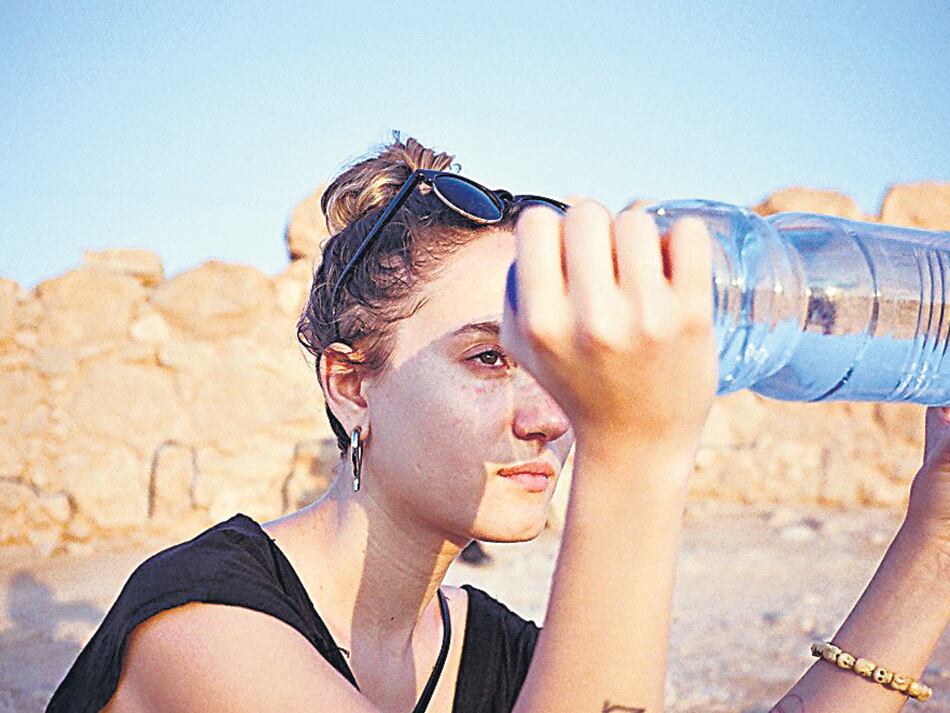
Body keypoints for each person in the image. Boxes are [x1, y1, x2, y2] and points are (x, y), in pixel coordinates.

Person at [48, 134, 948, 712]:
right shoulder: (205, 623)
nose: (554, 414)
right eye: (489, 358)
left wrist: (936, 534)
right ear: (351, 384)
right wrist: (634, 454)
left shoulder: (498, 653)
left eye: (551, 361)